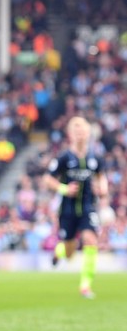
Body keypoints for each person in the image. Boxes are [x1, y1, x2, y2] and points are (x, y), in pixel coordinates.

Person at [44, 116, 109, 299]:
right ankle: (59, 251)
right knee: (70, 251)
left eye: (83, 131)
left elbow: (101, 176)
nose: (81, 135)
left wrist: (103, 187)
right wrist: (64, 188)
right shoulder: (64, 157)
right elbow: (48, 179)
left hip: (88, 207)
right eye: (77, 131)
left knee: (90, 240)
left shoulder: (94, 157)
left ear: (88, 134)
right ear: (71, 135)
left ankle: (85, 286)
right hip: (68, 209)